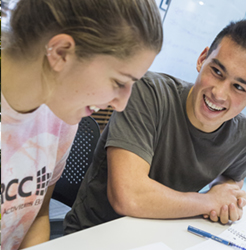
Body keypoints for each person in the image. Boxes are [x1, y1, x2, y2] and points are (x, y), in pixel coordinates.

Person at [64, 19, 246, 234]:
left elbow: (231, 182)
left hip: (167, 235)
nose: (218, 93)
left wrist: (222, 192)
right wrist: (208, 201)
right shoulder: (147, 93)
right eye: (217, 72)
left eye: (238, 87)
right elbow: (128, 196)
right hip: (95, 234)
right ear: (202, 59)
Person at [1, 0, 163, 249]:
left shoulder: (60, 115)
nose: (121, 104)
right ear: (61, 52)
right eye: (119, 82)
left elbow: (36, 216)